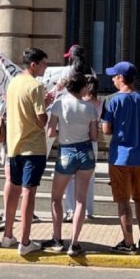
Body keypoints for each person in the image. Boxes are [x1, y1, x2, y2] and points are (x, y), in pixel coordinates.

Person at [101, 61, 140, 255]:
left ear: (121, 78)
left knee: (123, 201)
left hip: (120, 158)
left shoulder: (113, 101)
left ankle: (128, 242)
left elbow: (106, 130)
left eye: (114, 76)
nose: (112, 79)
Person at [2, 48, 53, 255]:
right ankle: (24, 240)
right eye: (43, 63)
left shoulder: (13, 82)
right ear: (34, 64)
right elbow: (41, 121)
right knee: (28, 193)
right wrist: (46, 107)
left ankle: (8, 235)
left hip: (14, 144)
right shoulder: (36, 86)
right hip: (32, 146)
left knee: (13, 190)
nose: (46, 67)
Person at [43, 73, 98, 256]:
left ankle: (57, 238)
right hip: (86, 151)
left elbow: (50, 132)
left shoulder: (59, 104)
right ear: (83, 88)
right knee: (80, 199)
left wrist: (63, 130)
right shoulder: (90, 108)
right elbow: (94, 136)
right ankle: (74, 243)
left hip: (66, 150)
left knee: (56, 197)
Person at [64, 75, 100, 222]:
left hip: (71, 142)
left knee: (71, 179)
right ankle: (87, 210)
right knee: (89, 179)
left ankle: (71, 210)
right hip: (90, 144)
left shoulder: (69, 103)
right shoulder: (96, 104)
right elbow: (95, 133)